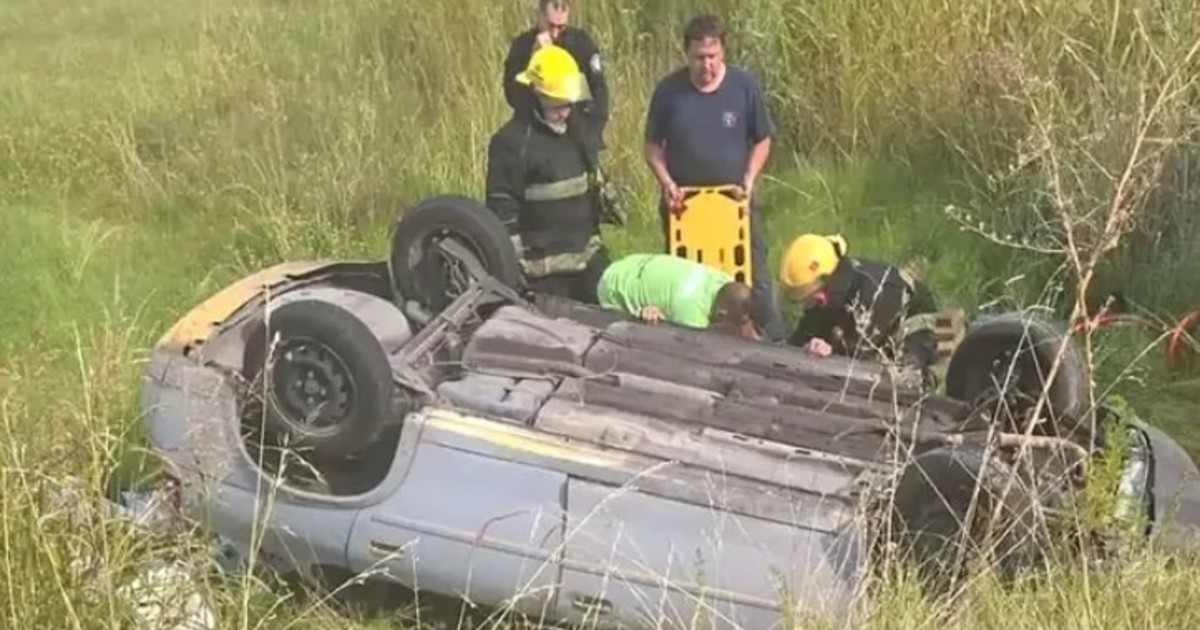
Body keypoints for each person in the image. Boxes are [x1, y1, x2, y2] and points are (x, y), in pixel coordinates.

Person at [642, 13, 786, 343]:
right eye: (699, 58)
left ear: (723, 52)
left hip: (734, 201)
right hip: (685, 205)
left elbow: (762, 139)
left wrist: (749, 178)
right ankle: (690, 338)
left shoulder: (743, 86)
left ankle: (772, 340)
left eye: (712, 56)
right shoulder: (669, 92)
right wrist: (667, 183)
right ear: (686, 54)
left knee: (755, 275)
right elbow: (652, 146)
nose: (706, 65)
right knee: (686, 277)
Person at [485, 44, 618, 304]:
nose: (564, 112)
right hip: (543, 274)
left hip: (587, 261)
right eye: (556, 104)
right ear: (536, 95)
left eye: (568, 104)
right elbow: (502, 208)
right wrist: (514, 268)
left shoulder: (577, 131)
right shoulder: (512, 143)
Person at [778, 233, 942, 387]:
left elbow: (857, 355)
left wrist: (831, 348)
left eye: (813, 294)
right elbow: (801, 338)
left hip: (917, 328)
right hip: (876, 327)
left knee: (900, 380)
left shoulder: (874, 293)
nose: (814, 300)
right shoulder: (833, 289)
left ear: (830, 279)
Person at [502, 0, 610, 152]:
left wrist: (591, 134)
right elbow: (512, 95)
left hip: (577, 133)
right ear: (540, 15)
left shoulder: (581, 45)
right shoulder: (522, 47)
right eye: (550, 25)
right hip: (536, 133)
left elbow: (599, 92)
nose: (554, 33)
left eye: (560, 27)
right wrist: (533, 58)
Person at [596, 253, 761, 340]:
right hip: (613, 288)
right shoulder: (691, 317)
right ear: (721, 315)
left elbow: (741, 309)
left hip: (632, 262)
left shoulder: (723, 280)